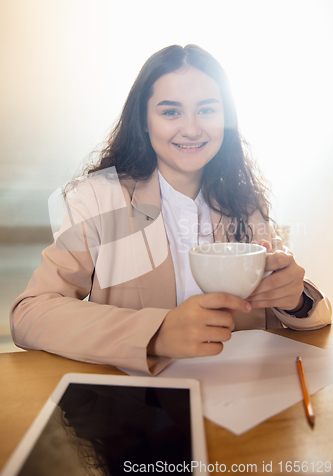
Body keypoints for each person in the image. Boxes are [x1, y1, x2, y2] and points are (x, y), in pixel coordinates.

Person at [10, 45, 332, 374]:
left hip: (241, 398)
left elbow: (316, 317)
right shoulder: (100, 199)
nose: (192, 129)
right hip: (137, 408)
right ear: (145, 122)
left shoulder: (246, 202)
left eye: (207, 110)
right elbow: (30, 315)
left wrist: (295, 299)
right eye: (171, 112)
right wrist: (157, 333)